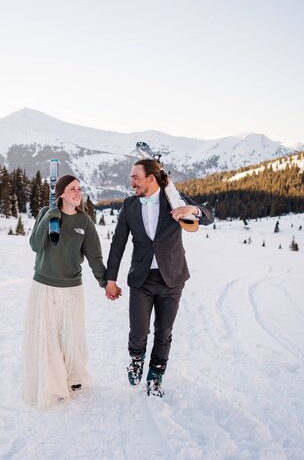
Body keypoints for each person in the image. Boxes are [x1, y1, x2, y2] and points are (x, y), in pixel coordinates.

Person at [105, 159, 214, 397]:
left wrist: (192, 210)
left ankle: (155, 377)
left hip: (172, 278)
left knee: (163, 333)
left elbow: (208, 217)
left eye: (136, 177)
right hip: (141, 280)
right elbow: (118, 244)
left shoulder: (174, 199)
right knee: (138, 332)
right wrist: (110, 279)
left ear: (150, 179)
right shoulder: (129, 205)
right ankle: (136, 359)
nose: (131, 182)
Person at [22, 174, 112, 408]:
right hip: (44, 286)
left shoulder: (84, 222)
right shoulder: (47, 213)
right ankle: (52, 384)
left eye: (79, 188)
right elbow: (35, 245)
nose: (77, 192)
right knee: (48, 336)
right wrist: (50, 217)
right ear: (60, 193)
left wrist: (106, 283)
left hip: (72, 288)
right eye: (72, 188)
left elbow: (95, 257)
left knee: (72, 337)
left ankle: (73, 378)